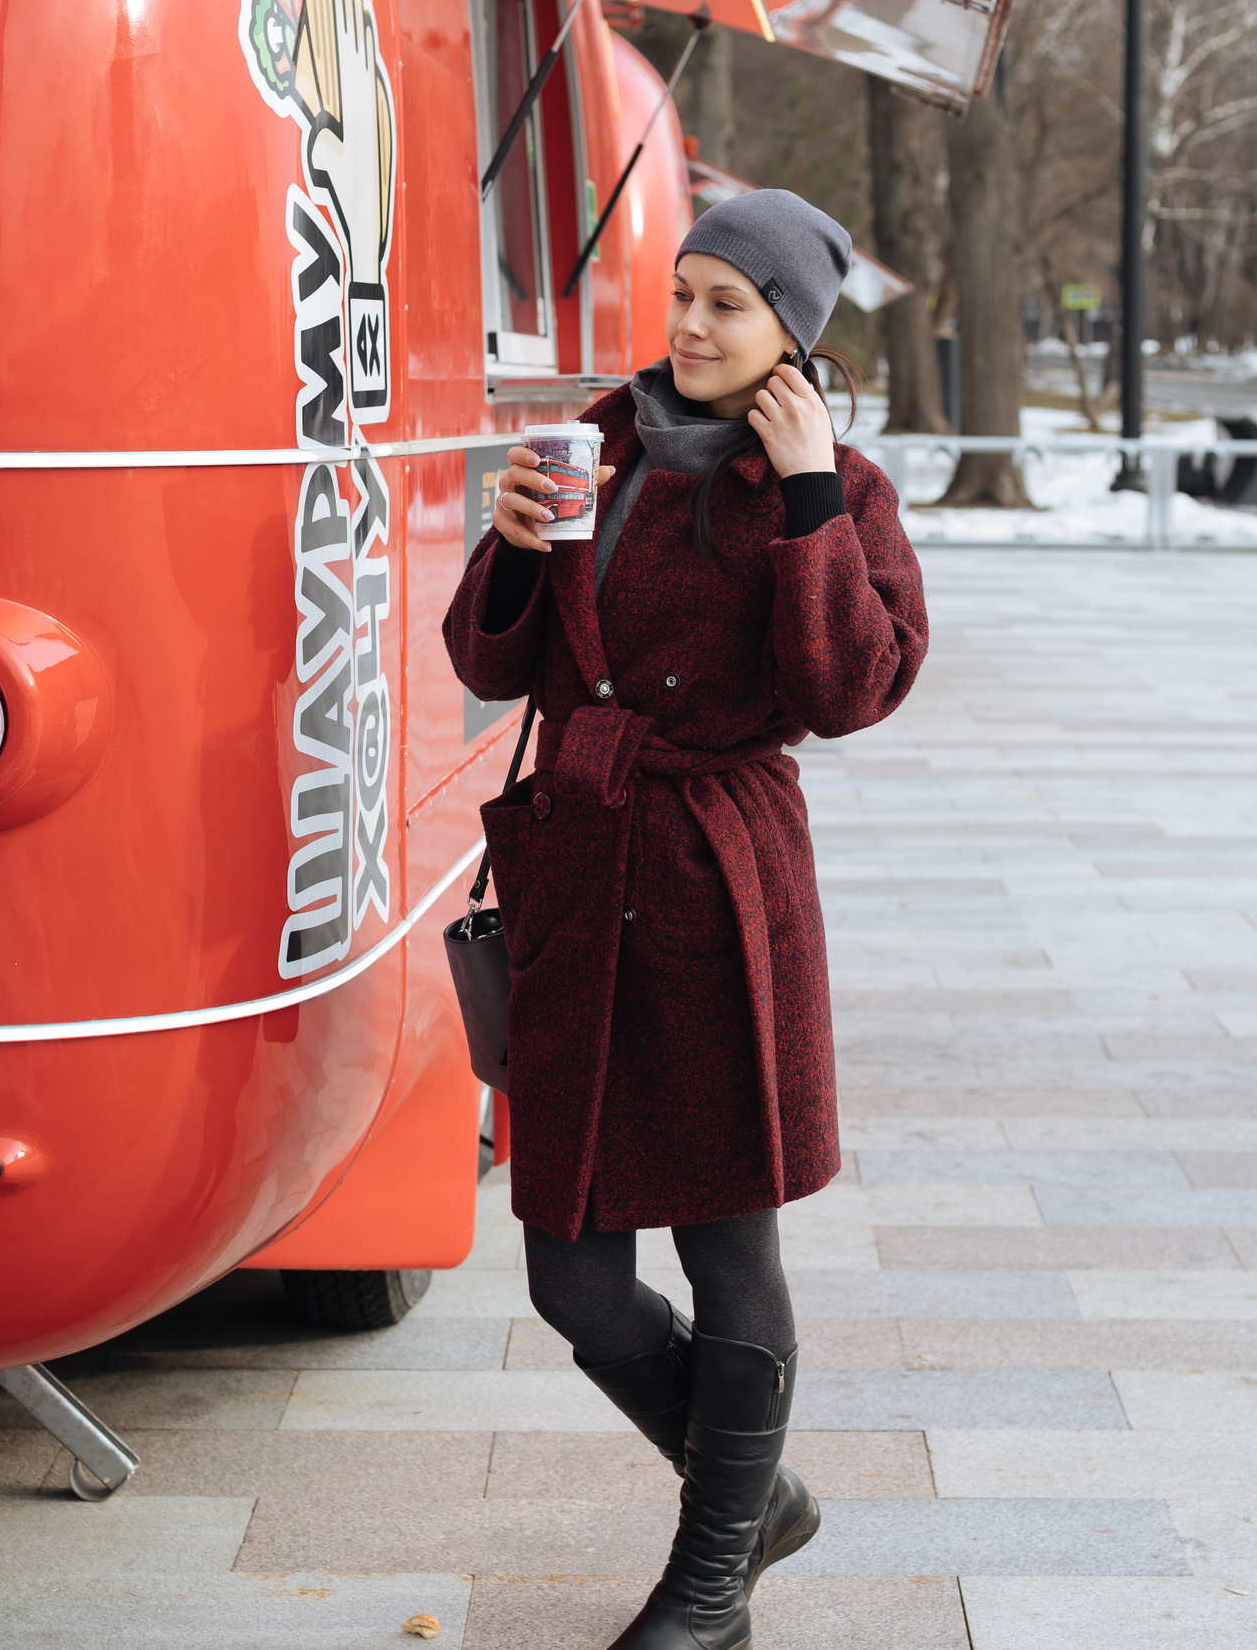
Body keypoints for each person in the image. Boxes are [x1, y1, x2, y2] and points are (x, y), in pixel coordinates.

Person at [442, 189, 927, 1650]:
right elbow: (489, 657)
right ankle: (757, 1491)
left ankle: (709, 1577)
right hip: (581, 877)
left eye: (732, 301)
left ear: (794, 328)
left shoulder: (837, 481)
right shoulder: (594, 448)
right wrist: (516, 545)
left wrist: (806, 507)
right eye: (688, 293)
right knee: (575, 1276)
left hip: (722, 883)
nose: (697, 325)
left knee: (729, 1247)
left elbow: (851, 688)